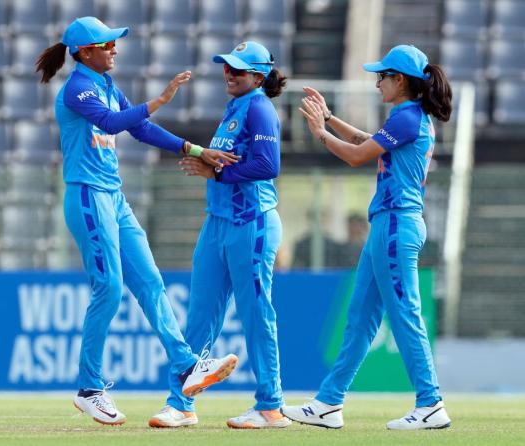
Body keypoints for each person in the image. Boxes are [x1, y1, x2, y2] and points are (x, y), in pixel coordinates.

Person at [35, 16, 241, 426]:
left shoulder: (106, 85)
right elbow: (113, 124)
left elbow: (141, 128)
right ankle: (89, 389)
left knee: (149, 280)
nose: (114, 49)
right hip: (89, 196)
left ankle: (185, 365)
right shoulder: (77, 88)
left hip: (114, 196)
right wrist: (161, 99)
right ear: (84, 52)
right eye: (107, 44)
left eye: (113, 43)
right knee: (109, 288)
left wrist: (194, 149)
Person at [281, 44, 453, 430]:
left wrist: (320, 133)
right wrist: (330, 118)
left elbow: (358, 155)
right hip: (390, 225)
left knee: (404, 312)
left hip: (396, 224)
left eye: (382, 77)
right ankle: (328, 403)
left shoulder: (407, 116)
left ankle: (430, 402)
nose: (377, 84)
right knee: (360, 318)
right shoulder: (408, 116)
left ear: (401, 80)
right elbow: (366, 140)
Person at [148, 41, 290, 429]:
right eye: (227, 68)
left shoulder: (260, 107)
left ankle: (270, 406)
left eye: (238, 70)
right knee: (199, 317)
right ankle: (180, 404)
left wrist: (218, 173)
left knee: (256, 314)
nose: (229, 74)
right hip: (218, 223)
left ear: (258, 76)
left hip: (252, 223)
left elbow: (268, 164)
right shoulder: (235, 108)